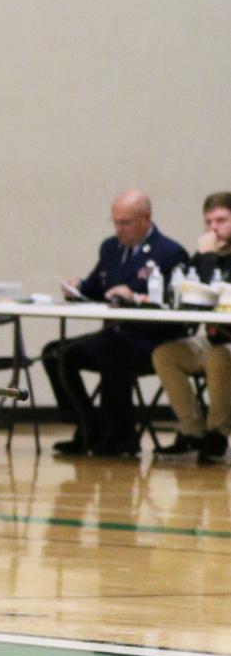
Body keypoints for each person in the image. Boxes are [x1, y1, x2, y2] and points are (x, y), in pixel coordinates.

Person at [42, 190, 189, 457]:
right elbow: (97, 287)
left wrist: (135, 298)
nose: (119, 229)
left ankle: (120, 436)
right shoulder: (110, 247)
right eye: (116, 222)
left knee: (114, 352)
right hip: (112, 336)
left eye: (126, 222)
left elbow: (175, 303)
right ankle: (87, 425)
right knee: (56, 353)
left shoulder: (170, 252)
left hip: (150, 340)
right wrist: (77, 288)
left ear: (146, 218)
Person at [151, 192, 231, 464]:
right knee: (166, 353)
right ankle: (192, 429)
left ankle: (217, 433)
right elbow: (193, 296)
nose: (213, 228)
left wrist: (207, 256)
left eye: (221, 220)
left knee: (221, 355)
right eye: (208, 222)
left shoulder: (209, 256)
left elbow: (214, 296)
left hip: (227, 345)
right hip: (213, 339)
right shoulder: (206, 256)